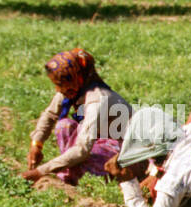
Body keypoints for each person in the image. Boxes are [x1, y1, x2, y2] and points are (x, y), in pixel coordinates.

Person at [22, 48, 131, 185]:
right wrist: (36, 144)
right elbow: (50, 115)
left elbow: (82, 149)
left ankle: (87, 175)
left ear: (76, 77)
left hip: (122, 150)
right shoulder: (74, 88)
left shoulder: (97, 100)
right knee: (64, 126)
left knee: (82, 158)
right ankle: (70, 170)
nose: (58, 89)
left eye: (60, 84)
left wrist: (42, 170)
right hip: (99, 141)